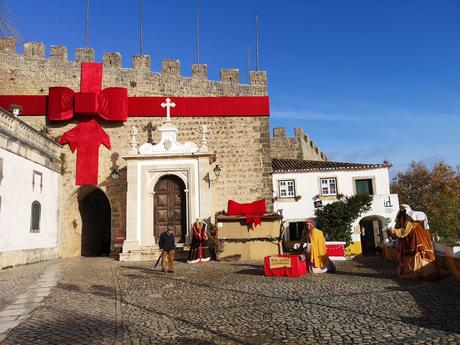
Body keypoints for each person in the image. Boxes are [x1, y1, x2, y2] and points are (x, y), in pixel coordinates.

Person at [387, 204, 439, 280]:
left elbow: (404, 231)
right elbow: (400, 230)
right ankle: (418, 272)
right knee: (415, 254)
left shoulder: (409, 217)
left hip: (416, 240)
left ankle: (420, 273)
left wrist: (392, 231)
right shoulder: (404, 218)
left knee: (419, 254)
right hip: (412, 241)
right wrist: (392, 231)